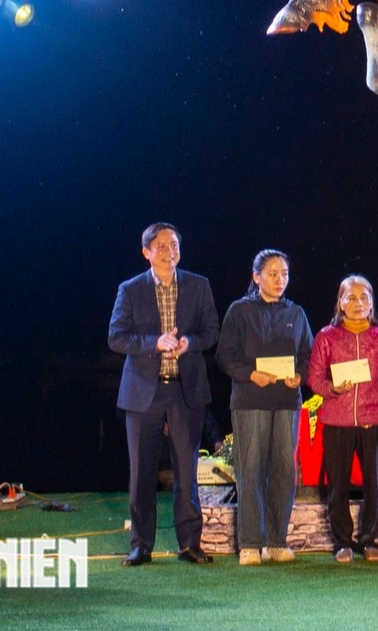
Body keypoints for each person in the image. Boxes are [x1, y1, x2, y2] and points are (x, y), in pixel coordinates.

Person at [108, 222, 220, 566]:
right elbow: (116, 337)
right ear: (146, 252)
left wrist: (190, 343)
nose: (169, 251)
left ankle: (189, 543)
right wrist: (154, 343)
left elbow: (211, 331)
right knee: (141, 472)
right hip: (144, 394)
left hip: (186, 392)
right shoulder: (130, 290)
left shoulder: (198, 285)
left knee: (186, 472)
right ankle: (141, 544)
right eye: (161, 245)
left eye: (174, 244)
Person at [217, 249, 313, 566]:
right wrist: (250, 375)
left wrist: (299, 375)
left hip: (286, 403)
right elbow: (224, 356)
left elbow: (308, 357)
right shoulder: (239, 311)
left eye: (284, 273)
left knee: (284, 472)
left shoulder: (296, 313)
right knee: (251, 470)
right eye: (272, 273)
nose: (279, 279)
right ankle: (249, 543)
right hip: (250, 401)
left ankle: (275, 541)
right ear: (256, 276)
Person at [308, 275, 378, 563]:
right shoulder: (327, 336)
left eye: (364, 297)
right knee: (338, 486)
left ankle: (370, 539)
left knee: (374, 485)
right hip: (337, 421)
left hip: (373, 420)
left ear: (372, 302)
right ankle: (342, 541)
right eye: (351, 297)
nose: (358, 303)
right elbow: (313, 378)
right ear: (340, 302)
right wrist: (331, 389)